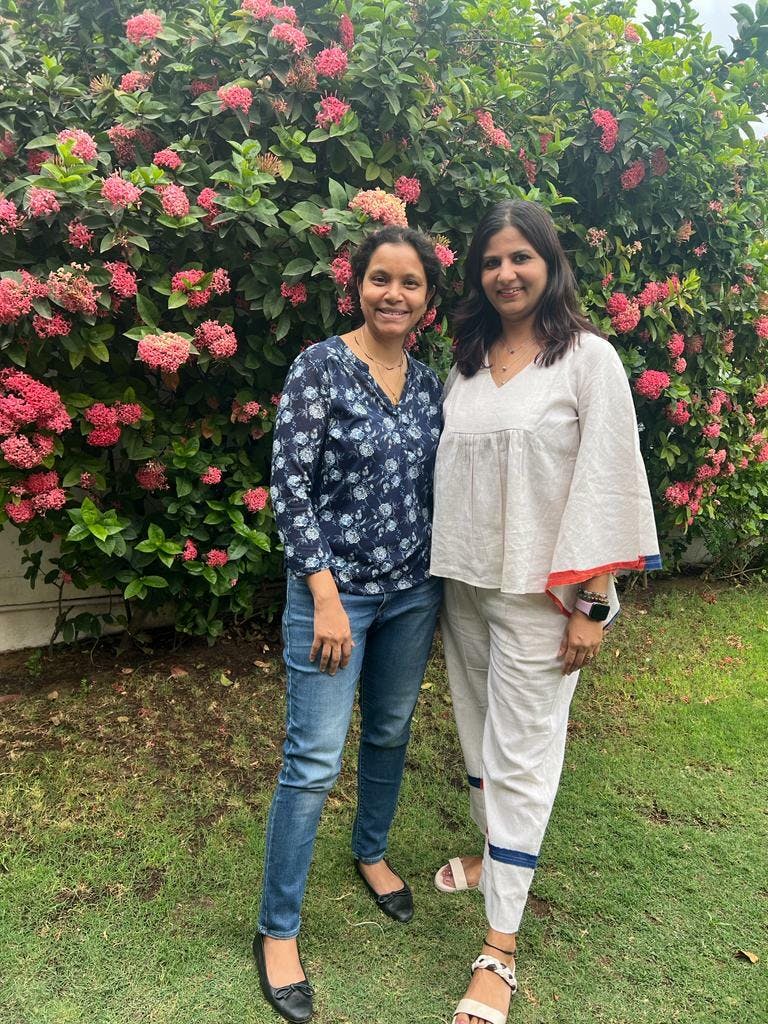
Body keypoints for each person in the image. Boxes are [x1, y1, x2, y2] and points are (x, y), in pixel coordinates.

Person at [429, 200, 661, 1024]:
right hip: (465, 585)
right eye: (492, 260)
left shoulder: (587, 359)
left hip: (543, 598)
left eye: (520, 257)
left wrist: (592, 603)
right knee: (478, 735)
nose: (506, 273)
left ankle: (500, 949)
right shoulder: (466, 362)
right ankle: (493, 854)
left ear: (550, 263)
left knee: (524, 755)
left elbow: (608, 478)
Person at [254, 225, 444, 1023]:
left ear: (427, 299)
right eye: (380, 279)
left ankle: (370, 851)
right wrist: (325, 596)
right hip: (333, 598)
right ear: (357, 286)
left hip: (412, 594)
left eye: (410, 282)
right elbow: (289, 486)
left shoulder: (430, 384)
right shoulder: (320, 367)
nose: (393, 294)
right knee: (312, 760)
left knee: (390, 732)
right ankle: (277, 929)